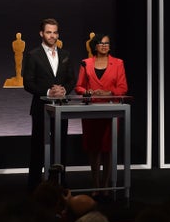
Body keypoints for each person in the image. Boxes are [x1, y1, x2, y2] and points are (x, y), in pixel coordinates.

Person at [22, 18, 76, 192]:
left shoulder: (66, 54)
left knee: (61, 147)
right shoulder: (32, 55)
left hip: (61, 108)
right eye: (48, 32)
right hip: (40, 108)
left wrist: (63, 91)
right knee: (38, 148)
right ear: (41, 34)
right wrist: (48, 92)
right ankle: (35, 187)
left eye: (55, 32)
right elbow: (28, 83)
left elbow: (71, 80)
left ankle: (60, 183)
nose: (52, 36)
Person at [74, 33, 128, 193]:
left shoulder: (118, 63)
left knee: (108, 148)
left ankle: (106, 185)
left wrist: (109, 93)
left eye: (107, 43)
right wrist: (88, 91)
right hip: (91, 111)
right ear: (95, 46)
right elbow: (79, 87)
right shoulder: (86, 63)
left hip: (111, 111)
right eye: (101, 43)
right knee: (94, 148)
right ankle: (95, 184)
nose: (105, 45)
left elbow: (123, 88)